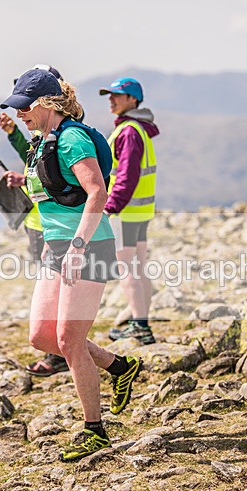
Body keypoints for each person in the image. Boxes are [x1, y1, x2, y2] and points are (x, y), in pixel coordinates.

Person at [0, 69, 142, 462]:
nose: (21, 114)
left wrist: (78, 245)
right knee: (42, 338)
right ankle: (119, 365)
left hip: (89, 247)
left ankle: (94, 430)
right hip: (56, 249)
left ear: (46, 103)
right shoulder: (40, 141)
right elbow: (50, 192)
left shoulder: (73, 137)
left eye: (25, 107)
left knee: (68, 341)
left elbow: (97, 191)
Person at [0, 65, 69, 378]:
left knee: (54, 292)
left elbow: (54, 178)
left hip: (50, 227)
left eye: (27, 103)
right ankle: (61, 349)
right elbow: (35, 162)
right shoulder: (44, 133)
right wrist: (14, 134)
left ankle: (59, 354)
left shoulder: (65, 132)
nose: (22, 111)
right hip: (39, 223)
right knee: (49, 291)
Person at [99, 77, 159, 345]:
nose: (111, 99)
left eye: (118, 95)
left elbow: (126, 175)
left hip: (125, 212)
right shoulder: (138, 129)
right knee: (138, 267)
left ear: (133, 99)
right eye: (109, 95)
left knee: (128, 269)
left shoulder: (129, 131)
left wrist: (110, 207)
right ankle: (141, 321)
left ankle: (140, 326)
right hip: (140, 211)